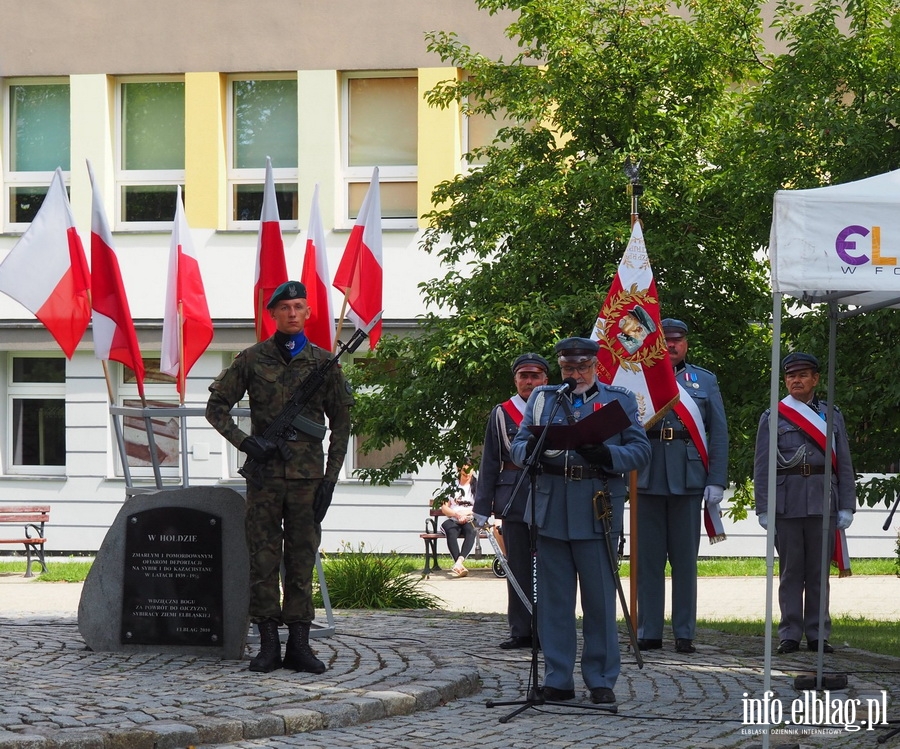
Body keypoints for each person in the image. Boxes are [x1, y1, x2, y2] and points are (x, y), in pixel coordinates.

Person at [206, 280, 354, 674]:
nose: (292, 313)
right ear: (272, 314)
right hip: (266, 479)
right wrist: (246, 442)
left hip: (309, 482)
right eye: (284, 307)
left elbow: (342, 423)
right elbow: (216, 406)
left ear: (309, 314)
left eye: (299, 307)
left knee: (302, 559)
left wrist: (331, 478)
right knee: (264, 560)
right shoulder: (252, 359)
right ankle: (269, 643)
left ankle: (300, 645)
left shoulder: (325, 363)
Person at [510, 337, 651, 705]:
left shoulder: (617, 400)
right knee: (555, 602)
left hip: (596, 508)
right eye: (568, 368)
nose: (575, 374)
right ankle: (558, 679)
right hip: (551, 507)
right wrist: (534, 454)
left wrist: (607, 453)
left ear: (595, 366)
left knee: (599, 601)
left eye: (582, 367)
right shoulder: (543, 399)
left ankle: (600, 679)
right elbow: (519, 444)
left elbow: (640, 450)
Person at [635, 318, 729, 654]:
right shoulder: (639, 378)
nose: (672, 346)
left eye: (678, 340)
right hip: (646, 477)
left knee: (685, 561)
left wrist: (717, 479)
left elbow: (718, 433)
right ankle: (648, 630)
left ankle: (684, 632)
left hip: (688, 479)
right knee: (647, 561)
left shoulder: (704, 380)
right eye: (667, 341)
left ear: (686, 344)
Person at [754, 352, 855, 655]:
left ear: (815, 379)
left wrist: (847, 504)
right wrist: (763, 507)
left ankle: (817, 634)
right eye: (790, 376)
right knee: (790, 572)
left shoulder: (831, 414)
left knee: (818, 572)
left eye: (802, 375)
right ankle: (789, 633)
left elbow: (844, 463)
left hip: (823, 500)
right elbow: (762, 465)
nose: (795, 381)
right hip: (786, 503)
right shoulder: (774, 415)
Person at [473, 352, 550, 649]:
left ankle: (546, 628)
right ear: (515, 379)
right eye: (523, 376)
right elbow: (490, 462)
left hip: (546, 494)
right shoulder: (502, 412)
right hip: (514, 497)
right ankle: (520, 630)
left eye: (534, 376)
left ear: (545, 379)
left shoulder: (552, 408)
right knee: (517, 565)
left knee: (547, 565)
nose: (528, 381)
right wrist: (482, 508)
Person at [440, 463, 478, 577]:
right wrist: (456, 514)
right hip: (453, 518)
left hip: (469, 518)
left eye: (470, 471)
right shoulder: (451, 485)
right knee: (450, 530)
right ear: (459, 470)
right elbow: (444, 508)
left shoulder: (477, 485)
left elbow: (481, 506)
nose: (467, 474)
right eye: (464, 471)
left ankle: (458, 563)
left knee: (472, 530)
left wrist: (466, 514)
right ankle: (459, 566)